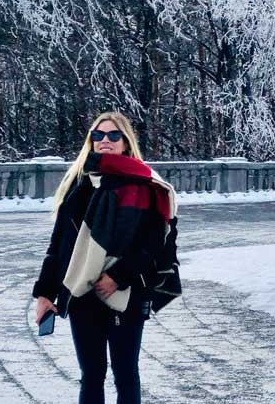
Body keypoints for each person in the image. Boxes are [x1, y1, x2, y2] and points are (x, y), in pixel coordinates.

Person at [32, 111, 181, 404]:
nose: (105, 141)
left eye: (114, 135)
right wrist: (45, 293)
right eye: (98, 136)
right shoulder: (79, 186)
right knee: (91, 374)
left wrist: (118, 276)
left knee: (126, 373)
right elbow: (59, 246)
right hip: (82, 292)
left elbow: (154, 241)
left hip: (127, 291)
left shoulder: (146, 184)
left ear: (126, 142)